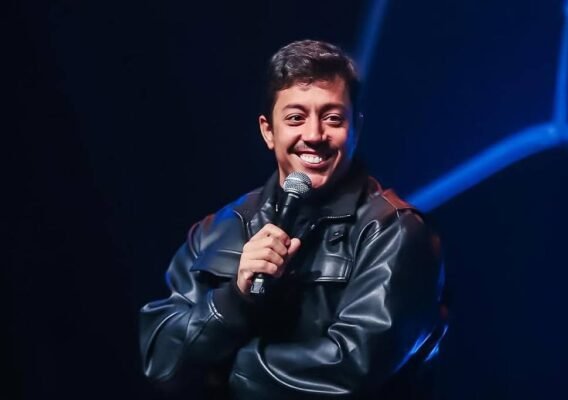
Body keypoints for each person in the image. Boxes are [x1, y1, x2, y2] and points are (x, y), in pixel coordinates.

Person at [139, 39, 446, 399]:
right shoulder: (216, 230)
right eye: (296, 118)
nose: (314, 135)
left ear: (356, 129)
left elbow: (353, 370)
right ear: (268, 131)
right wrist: (236, 298)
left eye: (333, 118)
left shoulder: (395, 229)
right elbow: (162, 363)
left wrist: (223, 370)